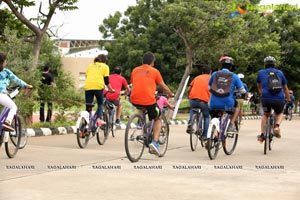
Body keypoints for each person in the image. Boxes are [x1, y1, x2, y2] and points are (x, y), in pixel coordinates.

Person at [130, 51, 174, 156]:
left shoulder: (135, 70)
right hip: (149, 101)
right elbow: (162, 86)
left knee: (141, 108)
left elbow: (134, 82)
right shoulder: (154, 71)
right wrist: (170, 93)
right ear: (152, 62)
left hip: (134, 99)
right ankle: (154, 142)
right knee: (158, 117)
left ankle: (143, 127)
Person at [256, 56, 291, 141]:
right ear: (274, 64)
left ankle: (262, 134)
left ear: (265, 64)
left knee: (265, 114)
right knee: (279, 113)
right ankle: (276, 126)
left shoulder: (260, 72)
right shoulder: (280, 73)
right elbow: (285, 88)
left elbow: (259, 85)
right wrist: (288, 98)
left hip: (266, 99)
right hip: (279, 99)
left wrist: (261, 93)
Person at [208, 56, 246, 132]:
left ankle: (211, 137)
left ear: (221, 65)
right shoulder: (234, 76)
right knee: (237, 106)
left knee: (213, 116)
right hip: (228, 105)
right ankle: (231, 125)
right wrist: (244, 95)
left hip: (213, 104)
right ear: (231, 66)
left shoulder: (214, 74)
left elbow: (209, 87)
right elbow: (242, 90)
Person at [0, 52, 33, 131]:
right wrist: (26, 85)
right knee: (13, 107)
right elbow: (16, 80)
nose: (6, 63)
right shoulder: (6, 72)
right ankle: (7, 122)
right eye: (5, 61)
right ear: (2, 62)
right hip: (1, 95)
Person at [84, 54, 114, 127]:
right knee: (100, 103)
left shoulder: (90, 66)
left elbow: (87, 76)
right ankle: (99, 120)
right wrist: (111, 89)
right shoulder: (105, 66)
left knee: (88, 105)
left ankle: (84, 125)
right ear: (104, 61)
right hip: (98, 87)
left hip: (88, 86)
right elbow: (106, 81)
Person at [186, 65, 211, 139]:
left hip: (193, 99)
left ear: (202, 72)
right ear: (210, 72)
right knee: (206, 116)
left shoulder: (197, 77)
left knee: (193, 109)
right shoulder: (211, 78)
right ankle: (204, 135)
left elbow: (188, 89)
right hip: (203, 101)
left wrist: (189, 96)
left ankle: (190, 123)